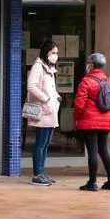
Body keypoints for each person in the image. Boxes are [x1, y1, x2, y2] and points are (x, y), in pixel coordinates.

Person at [73, 53, 110, 192]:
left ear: (91, 65)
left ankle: (92, 182)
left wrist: (77, 118)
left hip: (89, 122)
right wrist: (107, 115)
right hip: (106, 122)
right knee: (104, 149)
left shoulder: (86, 81)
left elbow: (79, 104)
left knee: (92, 150)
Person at [26, 39, 62, 186]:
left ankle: (42, 173)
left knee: (46, 144)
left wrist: (57, 98)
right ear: (46, 52)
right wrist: (46, 99)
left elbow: (51, 88)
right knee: (40, 144)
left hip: (50, 110)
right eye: (53, 53)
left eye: (56, 53)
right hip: (43, 110)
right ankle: (37, 174)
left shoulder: (49, 68)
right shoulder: (38, 67)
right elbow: (31, 86)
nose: (55, 56)